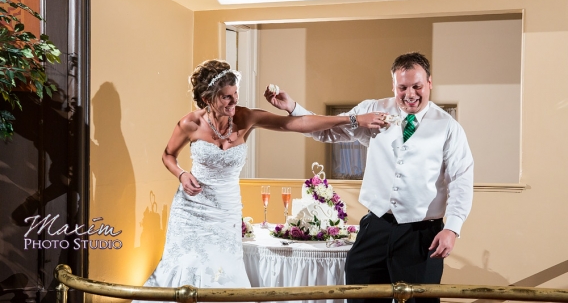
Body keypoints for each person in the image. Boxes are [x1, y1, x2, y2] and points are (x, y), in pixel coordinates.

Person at [136, 59, 383, 295]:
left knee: (221, 273)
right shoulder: (189, 123)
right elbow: (168, 155)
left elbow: (300, 123)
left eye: (236, 93)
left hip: (226, 211)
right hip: (191, 212)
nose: (235, 101)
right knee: (185, 268)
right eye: (226, 96)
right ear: (207, 99)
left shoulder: (246, 117)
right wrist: (181, 174)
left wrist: (353, 118)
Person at [265, 52, 474, 303]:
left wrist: (452, 228)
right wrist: (293, 108)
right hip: (376, 226)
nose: (410, 94)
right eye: (402, 87)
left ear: (429, 83)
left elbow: (460, 179)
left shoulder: (448, 127)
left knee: (420, 301)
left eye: (417, 86)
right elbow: (328, 132)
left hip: (421, 233)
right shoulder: (371, 110)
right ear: (393, 85)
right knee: (359, 295)